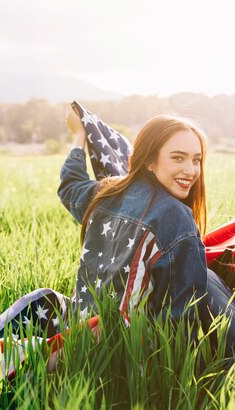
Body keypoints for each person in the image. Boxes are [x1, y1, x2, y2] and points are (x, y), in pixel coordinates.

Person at [59, 105, 210, 323]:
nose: (191, 170)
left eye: (196, 160)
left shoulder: (106, 192)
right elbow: (183, 316)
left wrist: (79, 136)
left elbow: (70, 185)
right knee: (212, 281)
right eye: (178, 158)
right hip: (131, 348)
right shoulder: (176, 216)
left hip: (80, 332)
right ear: (149, 160)